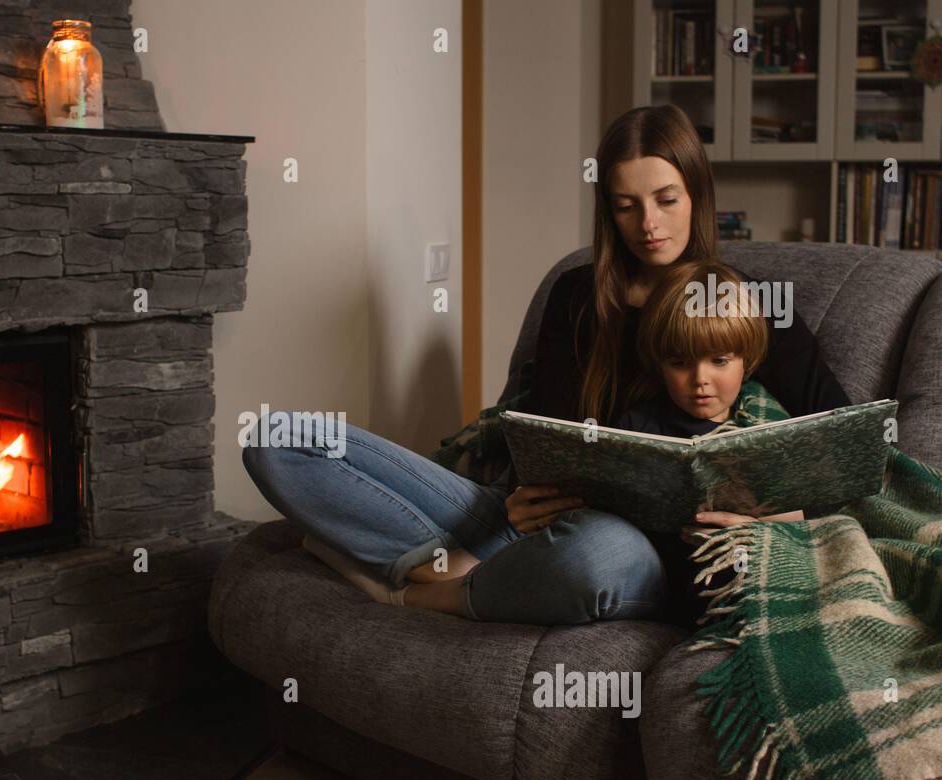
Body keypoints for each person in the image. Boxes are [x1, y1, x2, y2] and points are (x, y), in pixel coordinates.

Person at [242, 103, 850, 625]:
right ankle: (453, 561)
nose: (650, 225)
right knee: (279, 439)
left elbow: (850, 441)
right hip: (520, 520)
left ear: (698, 194)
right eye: (625, 206)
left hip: (626, 549)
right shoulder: (577, 294)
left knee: (596, 557)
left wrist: (795, 511)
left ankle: (426, 590)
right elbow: (539, 429)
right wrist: (516, 497)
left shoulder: (749, 305)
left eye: (667, 199)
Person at [609, 257, 809, 627]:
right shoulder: (639, 424)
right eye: (679, 363)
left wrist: (757, 526)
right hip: (668, 572)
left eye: (719, 360)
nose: (700, 378)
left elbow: (805, 515)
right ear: (659, 364)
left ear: (745, 361)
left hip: (749, 556)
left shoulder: (767, 422)